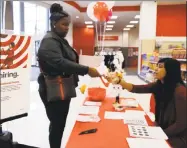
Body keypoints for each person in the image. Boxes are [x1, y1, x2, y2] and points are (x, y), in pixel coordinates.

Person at [37, 3, 101, 148]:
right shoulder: (49, 41)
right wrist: (87, 70)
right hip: (53, 87)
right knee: (57, 123)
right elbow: (60, 63)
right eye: (64, 24)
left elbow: (68, 59)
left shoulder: (59, 40)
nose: (67, 28)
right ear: (54, 23)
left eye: (68, 25)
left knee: (60, 122)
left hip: (62, 86)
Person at [106, 58, 186, 148]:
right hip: (163, 130)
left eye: (160, 67)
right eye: (156, 66)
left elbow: (181, 124)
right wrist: (119, 81)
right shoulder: (159, 85)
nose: (155, 69)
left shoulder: (180, 92)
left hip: (177, 138)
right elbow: (136, 88)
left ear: (170, 70)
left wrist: (158, 134)